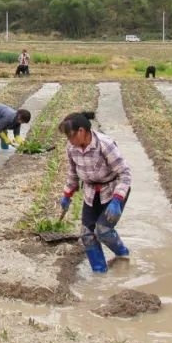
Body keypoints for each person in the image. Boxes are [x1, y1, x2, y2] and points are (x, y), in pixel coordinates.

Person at [57, 111, 132, 272]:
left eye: (71, 136)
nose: (69, 141)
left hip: (113, 191)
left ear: (82, 131)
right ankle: (99, 273)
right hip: (91, 193)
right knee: (87, 234)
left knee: (103, 231)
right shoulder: (71, 148)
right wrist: (67, 194)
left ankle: (123, 254)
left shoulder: (105, 145)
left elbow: (125, 174)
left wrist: (118, 200)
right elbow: (72, 173)